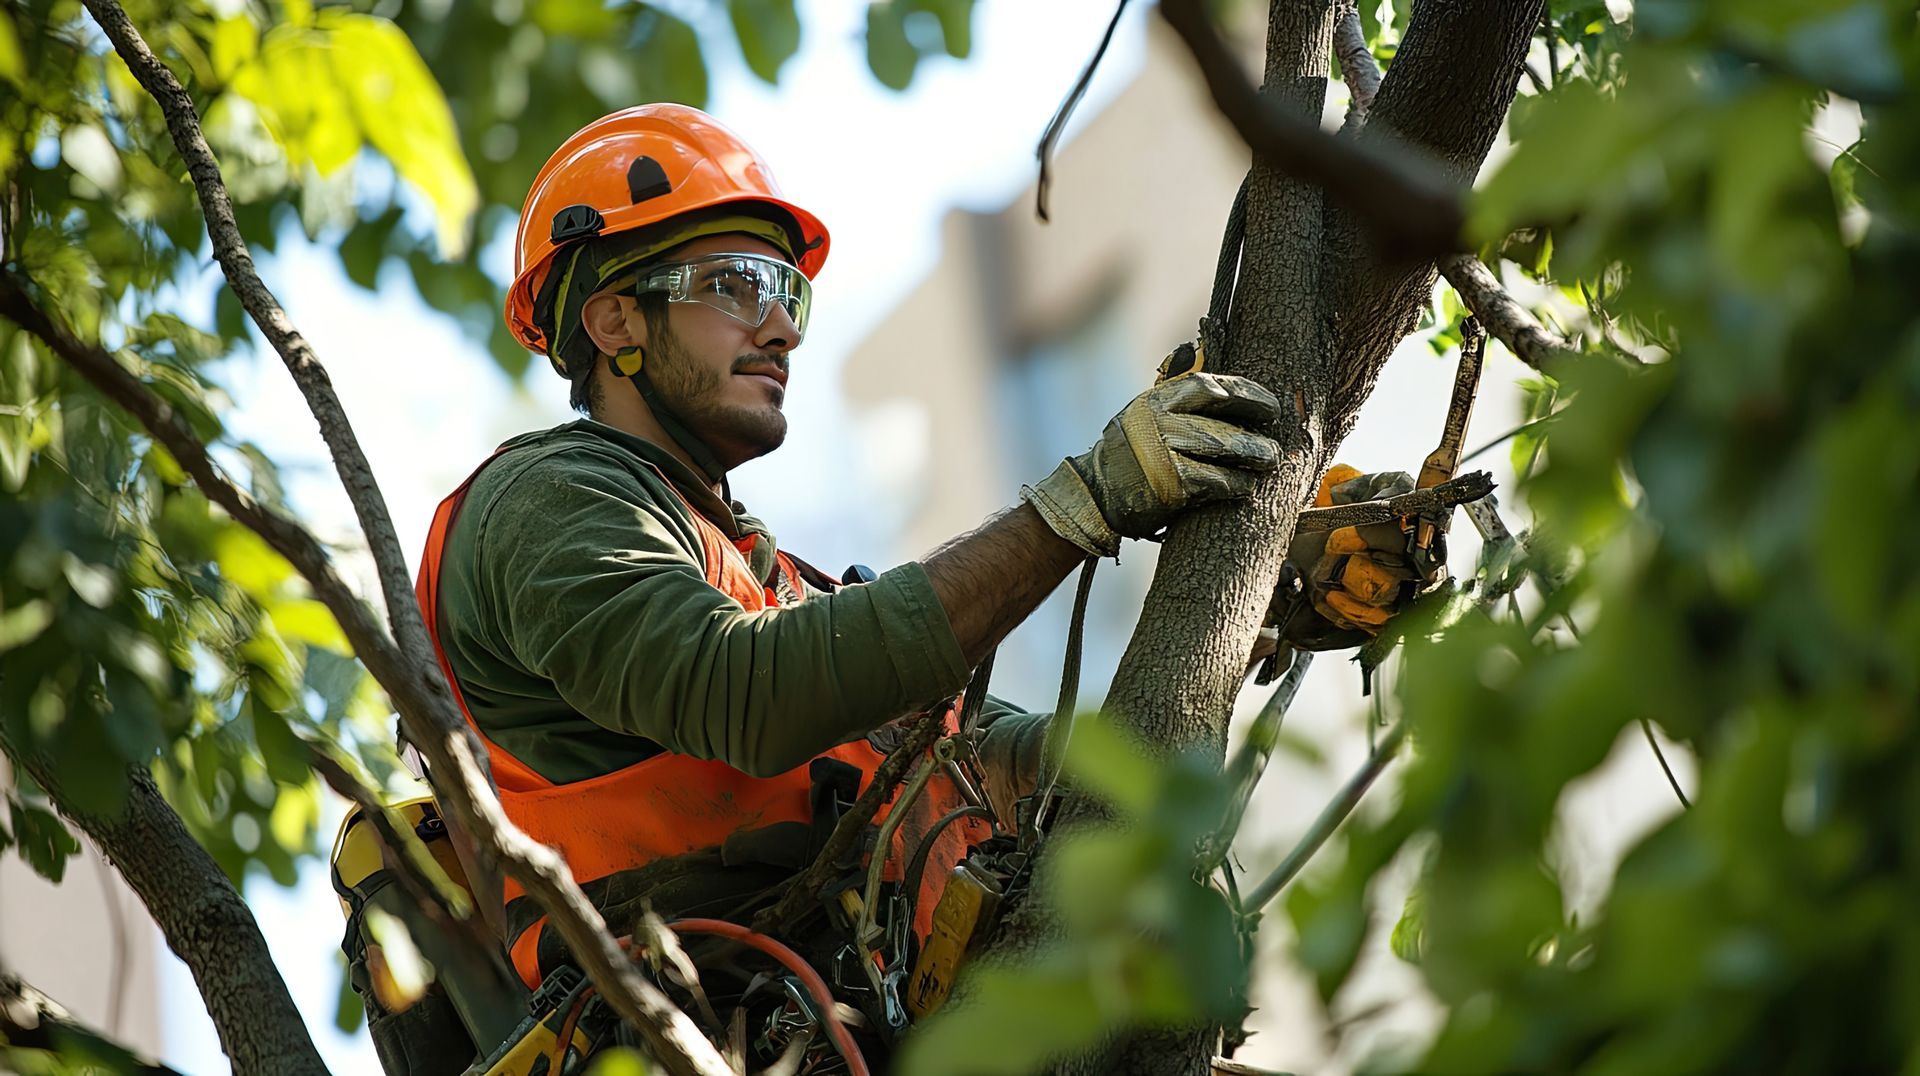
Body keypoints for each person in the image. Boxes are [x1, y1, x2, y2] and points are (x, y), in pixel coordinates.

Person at [409, 104, 1434, 1044]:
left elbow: (985, 757)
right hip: (694, 1025)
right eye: (737, 284)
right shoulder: (545, 502)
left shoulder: (773, 579)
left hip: (855, 1006)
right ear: (615, 322)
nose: (781, 328)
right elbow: (747, 694)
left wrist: (1247, 606)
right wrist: (1082, 504)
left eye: (789, 294)